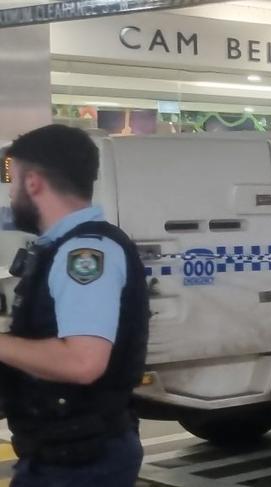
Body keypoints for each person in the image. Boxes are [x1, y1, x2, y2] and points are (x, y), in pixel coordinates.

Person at [1, 124, 150, 486]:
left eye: (13, 181)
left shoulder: (84, 253)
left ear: (33, 182)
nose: (10, 194)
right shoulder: (61, 248)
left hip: (80, 463)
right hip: (65, 453)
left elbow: (83, 363)